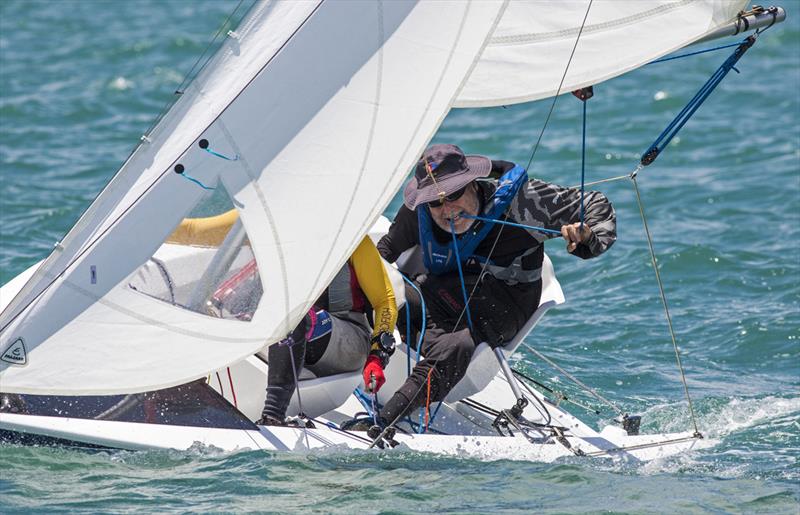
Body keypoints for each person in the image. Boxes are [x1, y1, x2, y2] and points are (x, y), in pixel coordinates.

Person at [375, 143, 616, 428]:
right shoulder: (420, 211)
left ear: (472, 182)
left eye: (453, 194)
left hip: (502, 306)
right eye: (435, 201)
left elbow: (596, 204)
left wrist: (587, 237)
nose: (446, 208)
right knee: (383, 294)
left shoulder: (522, 204)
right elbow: (383, 252)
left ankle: (384, 421)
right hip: (442, 294)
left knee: (457, 346)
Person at [257, 235, 398, 426]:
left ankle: (272, 416)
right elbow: (220, 229)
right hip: (292, 330)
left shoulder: (354, 237)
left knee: (292, 315)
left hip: (349, 338)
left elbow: (385, 303)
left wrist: (377, 357)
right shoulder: (278, 226)